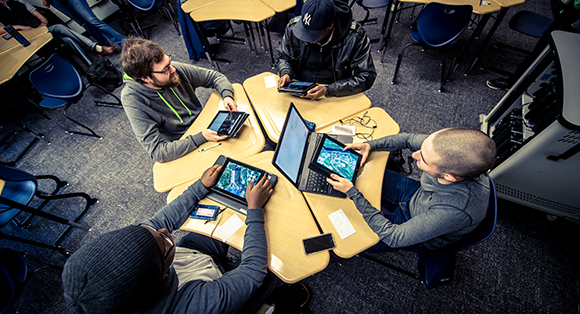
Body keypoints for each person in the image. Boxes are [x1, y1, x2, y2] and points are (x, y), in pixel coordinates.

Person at [61, 165, 287, 313]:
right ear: (162, 276)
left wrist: (200, 187)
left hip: (188, 266)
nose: (165, 231)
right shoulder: (194, 308)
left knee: (226, 216)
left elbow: (158, 222)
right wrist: (254, 210)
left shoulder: (127, 285)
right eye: (165, 242)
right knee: (278, 265)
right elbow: (252, 271)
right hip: (210, 292)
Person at [326, 128, 497, 251]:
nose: (414, 155)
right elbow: (407, 138)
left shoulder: (455, 209)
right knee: (361, 175)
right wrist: (370, 145)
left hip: (417, 222)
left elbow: (393, 237)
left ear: (449, 177)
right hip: (417, 194)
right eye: (421, 150)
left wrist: (354, 194)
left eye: (423, 159)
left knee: (347, 240)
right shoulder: (442, 150)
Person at [120, 37, 238, 163]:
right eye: (166, 69)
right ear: (145, 78)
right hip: (183, 144)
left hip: (205, 125)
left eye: (169, 61)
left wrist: (227, 95)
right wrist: (201, 137)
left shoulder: (171, 69)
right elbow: (158, 152)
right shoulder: (132, 99)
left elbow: (214, 77)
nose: (173, 69)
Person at [275, 0, 377, 100]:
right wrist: (285, 72)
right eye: (305, 31)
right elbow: (283, 56)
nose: (307, 38)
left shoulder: (354, 37)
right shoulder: (294, 27)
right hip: (300, 89)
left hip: (334, 93)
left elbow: (366, 76)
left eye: (313, 34)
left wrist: (328, 90)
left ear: (330, 25)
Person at [0, 0, 115, 66]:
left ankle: (93, 59)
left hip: (43, 30)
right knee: (64, 34)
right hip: (29, 38)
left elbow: (42, 18)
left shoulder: (19, 1)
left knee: (63, 33)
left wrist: (43, 26)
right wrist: (18, 27)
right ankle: (96, 52)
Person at [42, 0, 124, 48]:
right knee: (84, 24)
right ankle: (105, 46)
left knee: (93, 21)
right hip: (55, 1)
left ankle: (123, 42)